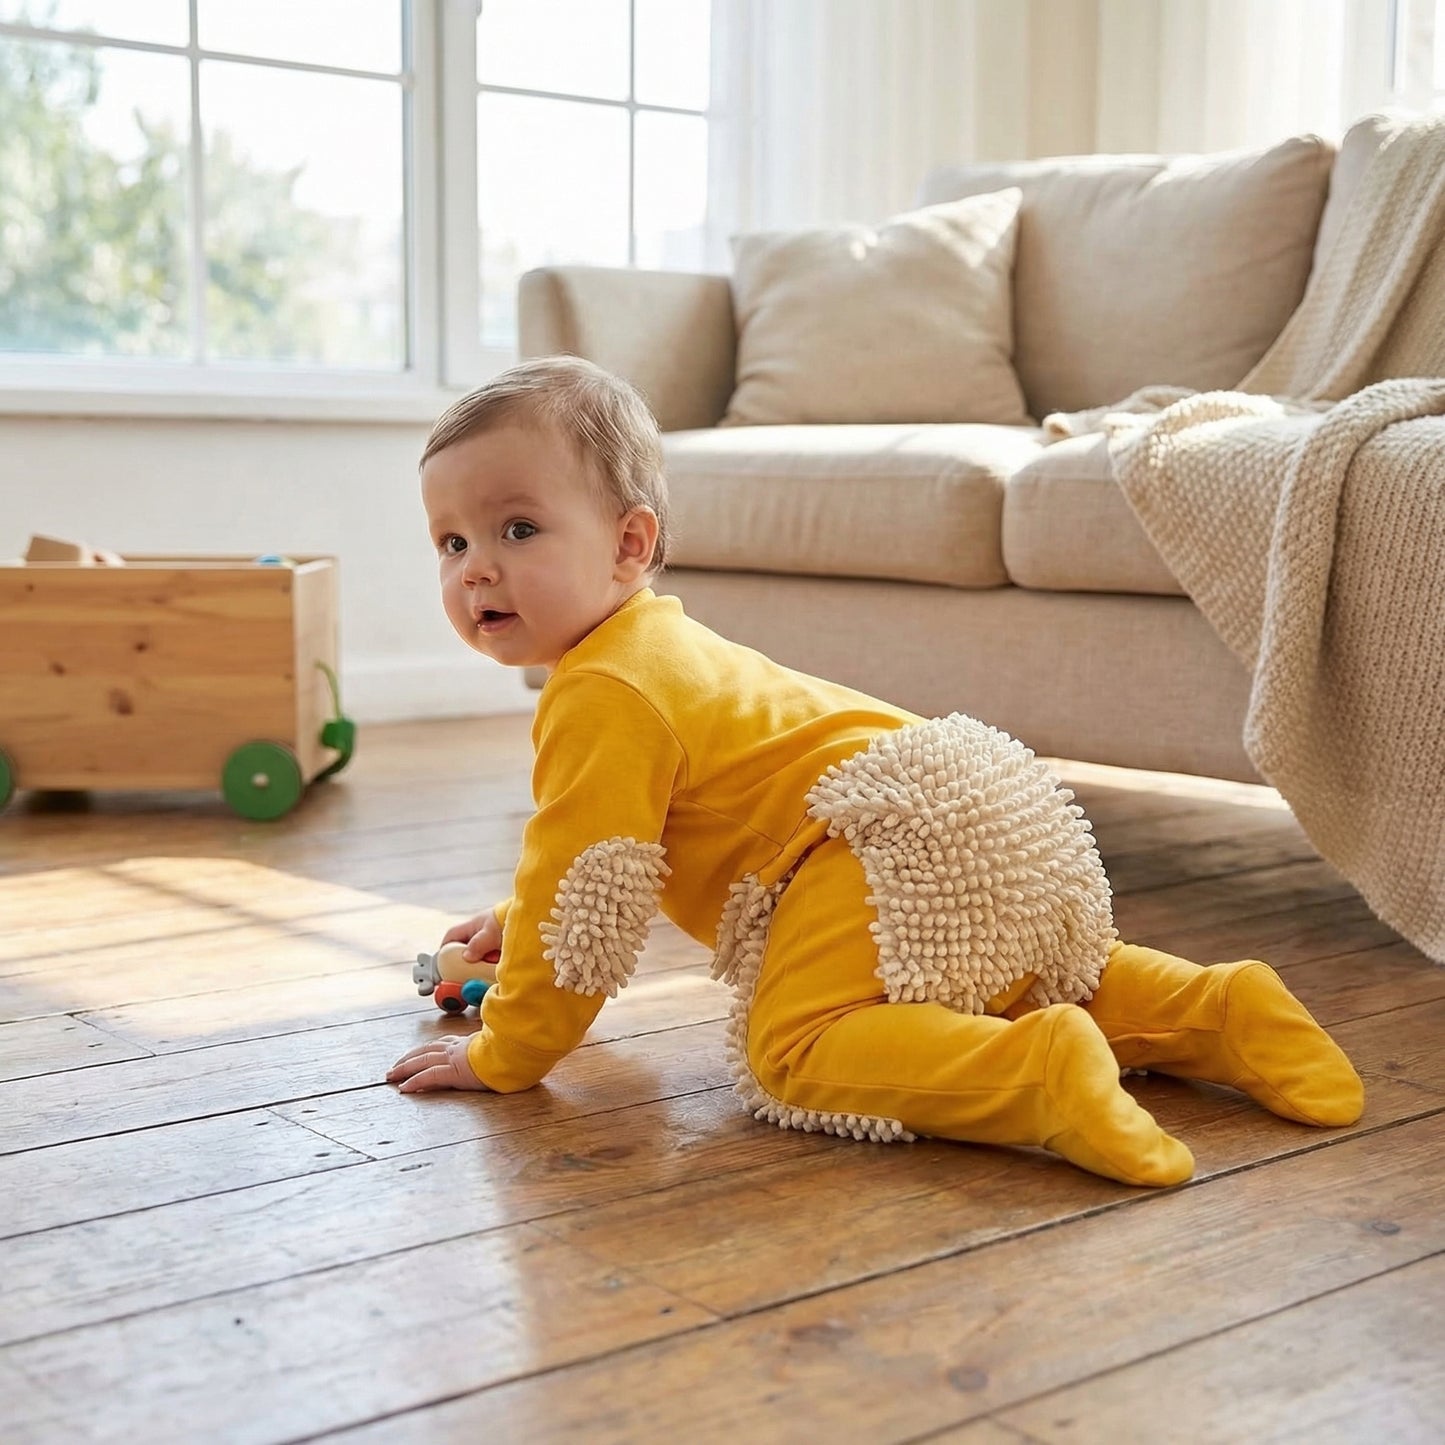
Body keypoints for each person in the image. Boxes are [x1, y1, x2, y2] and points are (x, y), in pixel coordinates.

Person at [386, 356, 1365, 1187]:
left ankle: (1031, 1072)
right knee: (1034, 974)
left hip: (870, 836)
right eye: (451, 541)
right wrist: (517, 918)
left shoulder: (601, 691)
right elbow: (620, 847)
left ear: (628, 544)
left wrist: (506, 1052)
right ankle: (1218, 1009)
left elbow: (586, 899)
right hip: (979, 790)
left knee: (796, 1047)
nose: (476, 568)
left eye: (518, 529)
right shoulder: (660, 650)